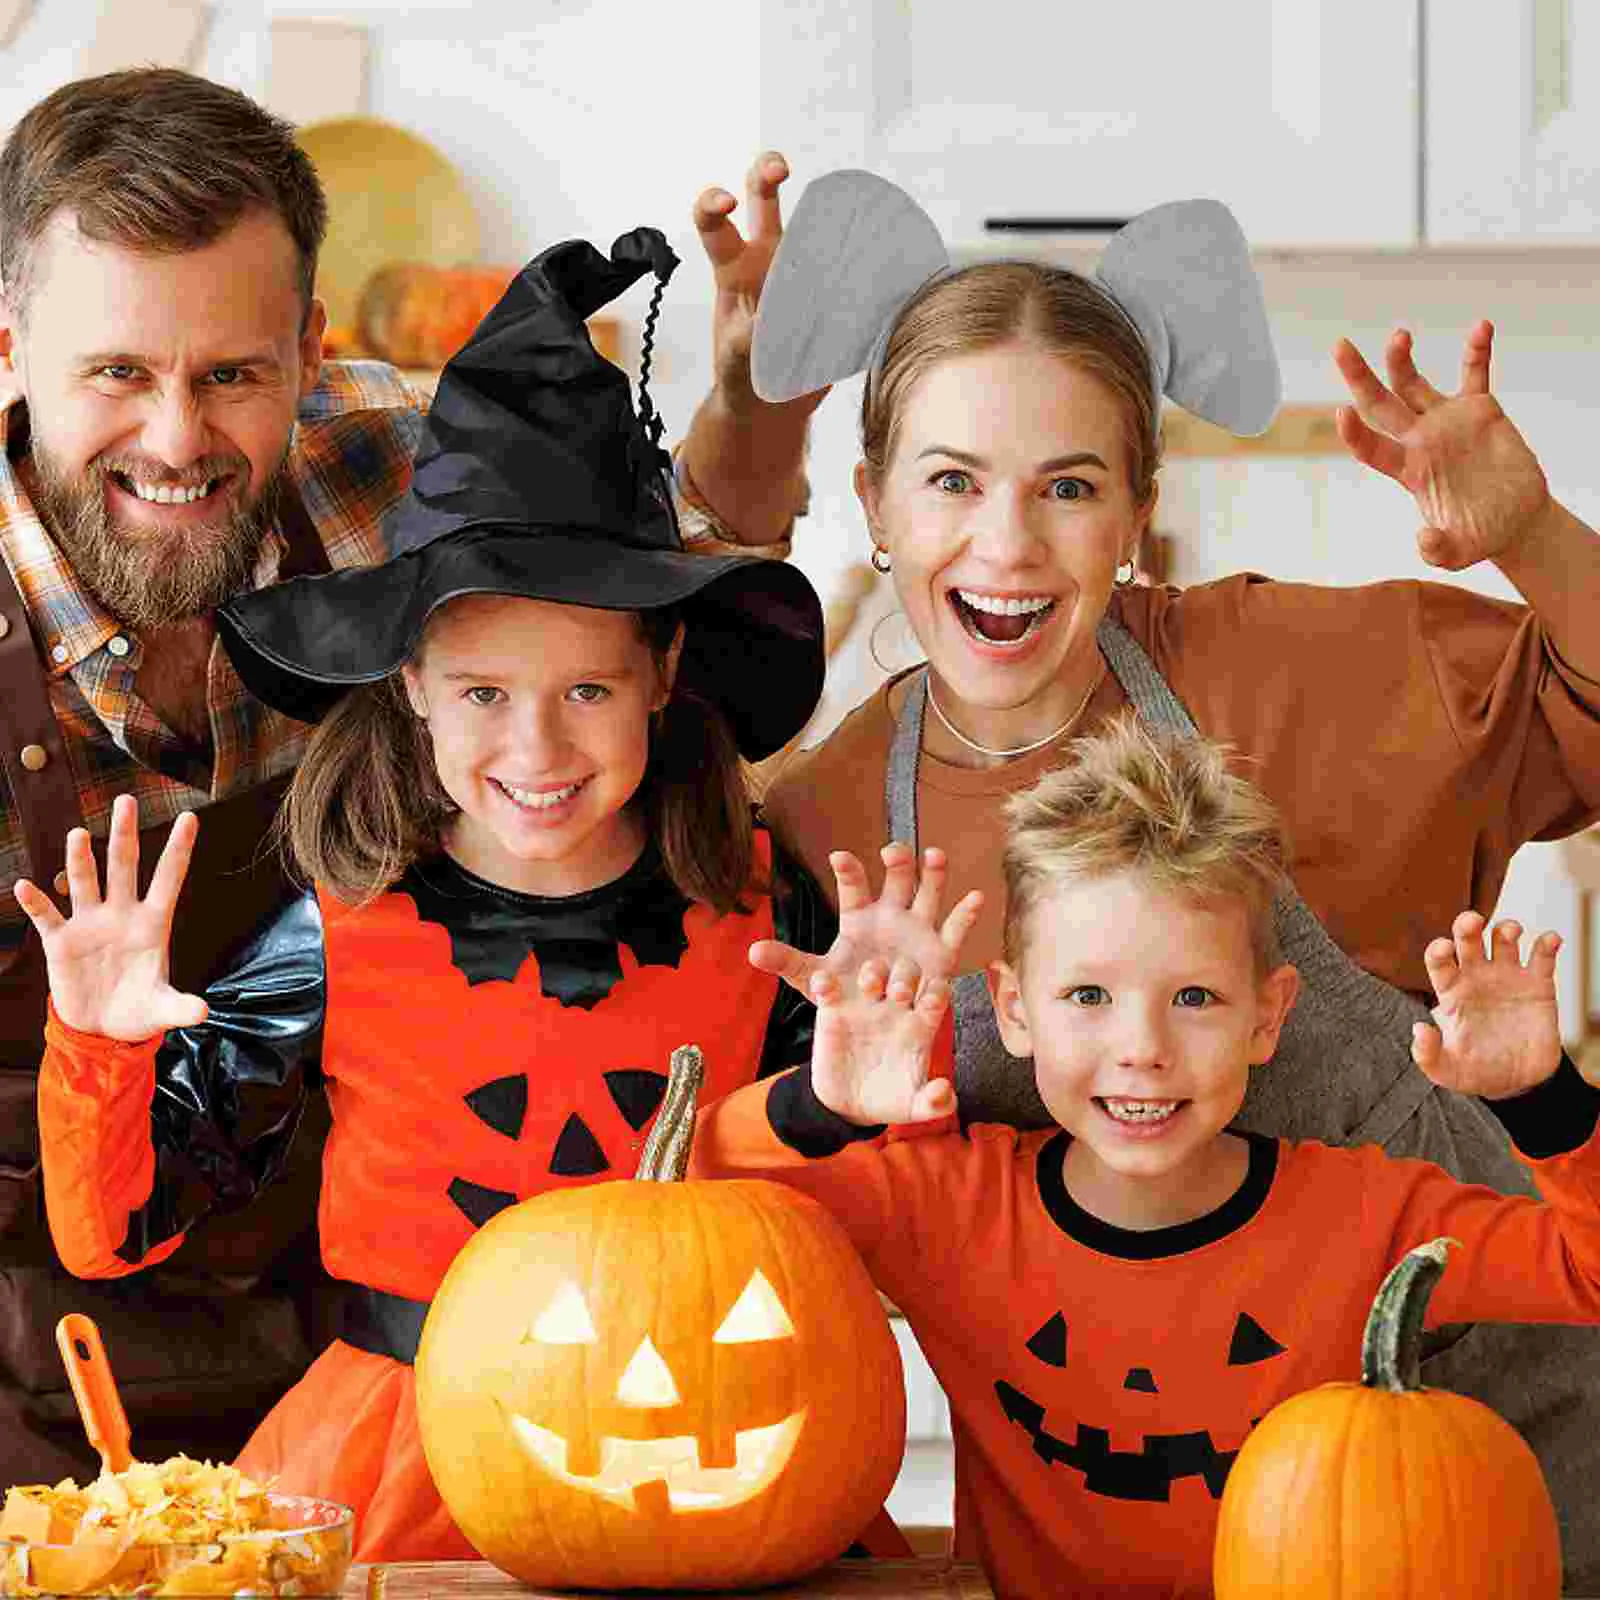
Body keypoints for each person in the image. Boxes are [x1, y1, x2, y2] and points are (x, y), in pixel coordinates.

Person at [679, 165, 1600, 1577]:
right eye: (951, 482)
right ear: (872, 499)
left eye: (1069, 487)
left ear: (1137, 506)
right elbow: (725, 1188)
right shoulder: (830, 814)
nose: (1007, 546)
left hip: (1483, 1473)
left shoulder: (1298, 678)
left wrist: (1534, 538)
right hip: (1099, 1522)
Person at [0, 68, 802, 1488]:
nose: (180, 439)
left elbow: (683, 562)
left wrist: (751, 377)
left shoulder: (418, 463)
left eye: (233, 374)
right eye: (116, 372)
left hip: (363, 1343)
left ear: (307, 351)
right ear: (9, 348)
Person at [691, 715, 1599, 1600]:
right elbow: (702, 1213)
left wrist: (1542, 1096)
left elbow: (1585, 1276)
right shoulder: (948, 1208)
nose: (1143, 1047)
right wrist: (823, 1104)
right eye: (1088, 994)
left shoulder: (1370, 1217)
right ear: (1013, 1010)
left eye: (1195, 996)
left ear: (1269, 1016)